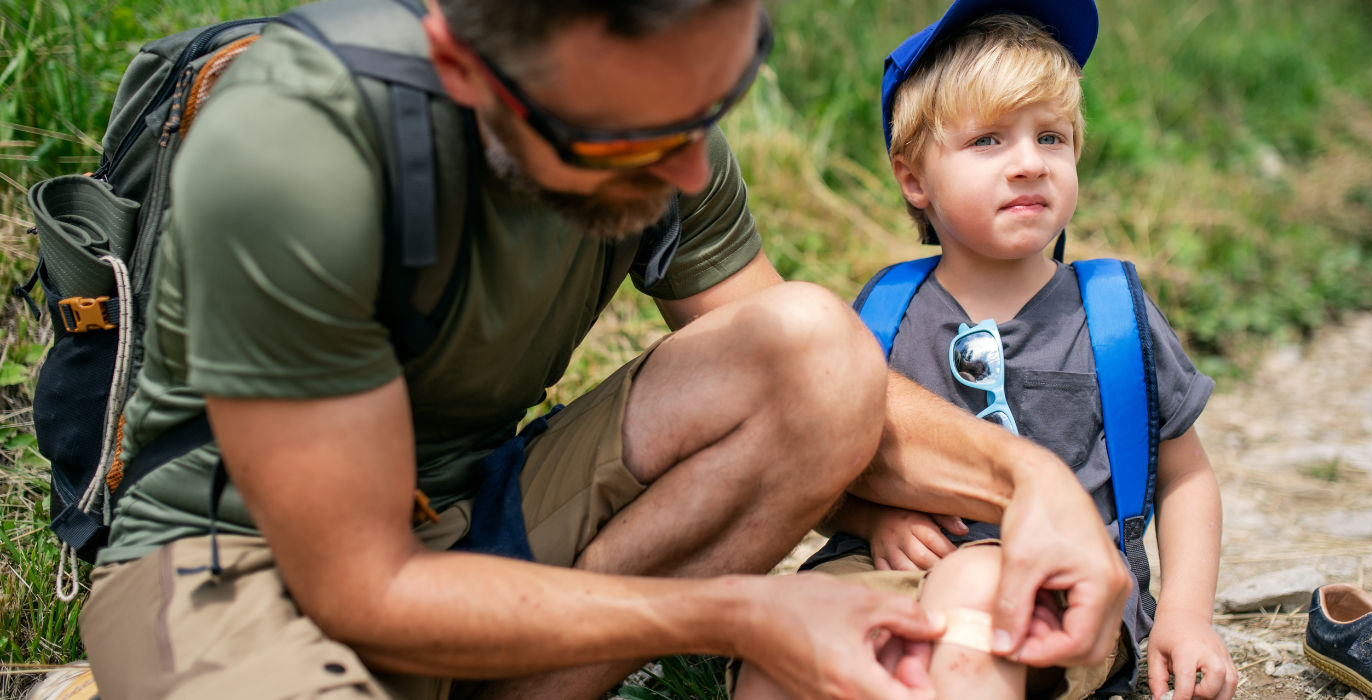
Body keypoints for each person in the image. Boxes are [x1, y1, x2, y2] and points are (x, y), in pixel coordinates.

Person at [75, 0, 1132, 698]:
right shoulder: (297, 148)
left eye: (708, 110)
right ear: (462, 66)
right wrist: (742, 614)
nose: (684, 174)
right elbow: (363, 588)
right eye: (630, 140)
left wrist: (1030, 482)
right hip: (244, 561)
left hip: (466, 511)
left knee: (814, 349)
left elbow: (827, 389)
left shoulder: (655, 113)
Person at [740, 2, 1237, 699]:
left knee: (974, 590)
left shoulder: (1111, 315)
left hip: (1060, 586)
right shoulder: (884, 314)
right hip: (884, 567)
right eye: (989, 141)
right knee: (788, 630)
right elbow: (822, 477)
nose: (1029, 163)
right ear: (914, 179)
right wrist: (872, 519)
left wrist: (1184, 619)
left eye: (1052, 138)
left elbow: (1185, 479)